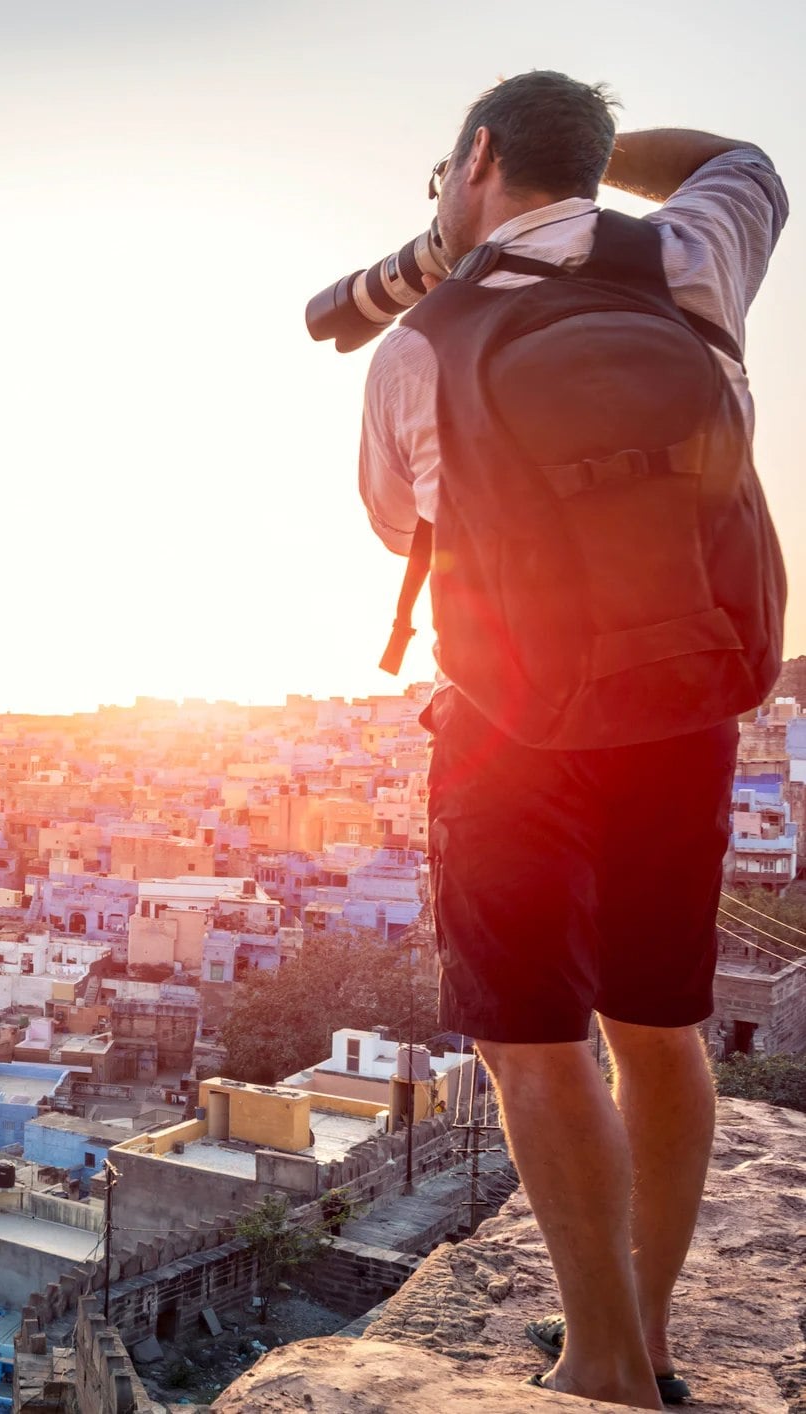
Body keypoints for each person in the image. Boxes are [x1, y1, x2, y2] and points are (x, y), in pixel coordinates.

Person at [358, 72, 787, 1408]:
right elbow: (749, 162)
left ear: (478, 154)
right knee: (661, 1025)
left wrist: (447, 251)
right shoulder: (690, 257)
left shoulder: (420, 342)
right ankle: (647, 1335)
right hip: (683, 707)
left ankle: (598, 1360)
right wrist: (604, 165)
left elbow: (396, 522)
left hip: (512, 726)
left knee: (535, 1041)